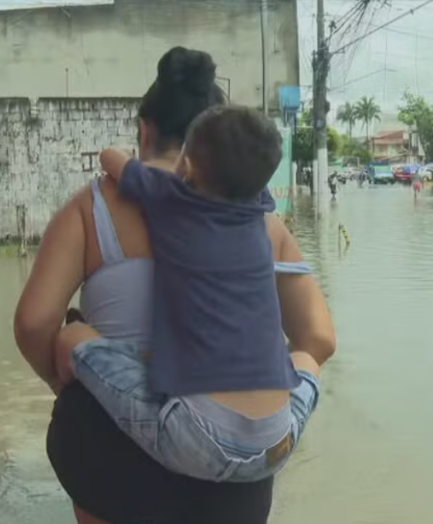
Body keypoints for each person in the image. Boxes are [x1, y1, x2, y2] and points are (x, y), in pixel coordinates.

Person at [14, 46, 336, 524]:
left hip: (111, 457)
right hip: (238, 471)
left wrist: (73, 386)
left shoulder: (95, 205)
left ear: (145, 131)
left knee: (73, 341)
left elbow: (35, 322)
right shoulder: (262, 223)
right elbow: (319, 339)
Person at [52, 106, 321, 483]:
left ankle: (85, 413)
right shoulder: (261, 213)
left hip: (198, 439)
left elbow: (111, 159)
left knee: (71, 337)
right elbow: (319, 340)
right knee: (307, 361)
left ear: (188, 167)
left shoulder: (171, 198)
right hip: (276, 441)